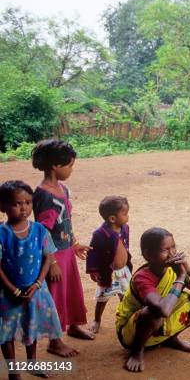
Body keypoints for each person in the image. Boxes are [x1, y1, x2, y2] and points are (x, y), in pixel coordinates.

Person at [116, 228, 190, 372]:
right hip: (131, 332)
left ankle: (171, 338)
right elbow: (163, 310)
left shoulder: (174, 269)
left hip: (158, 321)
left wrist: (189, 271)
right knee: (152, 311)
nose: (172, 253)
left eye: (174, 247)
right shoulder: (142, 278)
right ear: (148, 254)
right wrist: (181, 278)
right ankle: (137, 351)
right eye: (165, 250)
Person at [31, 139, 93, 357]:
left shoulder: (62, 189)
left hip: (66, 251)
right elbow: (41, 232)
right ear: (56, 165)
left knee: (72, 291)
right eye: (70, 165)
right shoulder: (44, 195)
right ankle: (55, 341)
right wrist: (53, 261)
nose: (72, 169)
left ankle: (74, 326)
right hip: (53, 256)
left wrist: (74, 243)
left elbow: (66, 220)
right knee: (56, 295)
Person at [0, 181, 63, 378]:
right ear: (3, 206)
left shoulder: (39, 230)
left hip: (36, 290)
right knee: (6, 331)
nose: (24, 207)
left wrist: (37, 284)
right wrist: (13, 290)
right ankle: (13, 371)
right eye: (17, 203)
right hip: (7, 292)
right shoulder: (2, 234)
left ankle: (32, 363)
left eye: (28, 202)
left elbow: (48, 257)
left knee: (31, 324)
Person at [86, 196, 132, 334]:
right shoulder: (100, 234)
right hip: (108, 272)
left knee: (126, 296)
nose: (127, 216)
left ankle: (126, 318)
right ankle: (97, 319)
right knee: (103, 297)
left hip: (123, 271)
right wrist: (93, 271)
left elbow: (125, 245)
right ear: (112, 218)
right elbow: (92, 253)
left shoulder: (125, 228)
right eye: (124, 214)